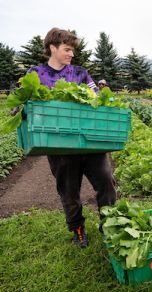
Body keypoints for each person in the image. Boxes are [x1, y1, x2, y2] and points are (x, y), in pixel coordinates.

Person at [28, 28, 117, 247]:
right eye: (67, 49)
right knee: (69, 192)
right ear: (53, 48)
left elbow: (96, 96)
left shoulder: (80, 73)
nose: (71, 54)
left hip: (89, 142)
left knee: (106, 182)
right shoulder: (35, 74)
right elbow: (24, 99)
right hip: (60, 146)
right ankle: (78, 230)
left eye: (72, 50)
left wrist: (105, 101)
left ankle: (110, 225)